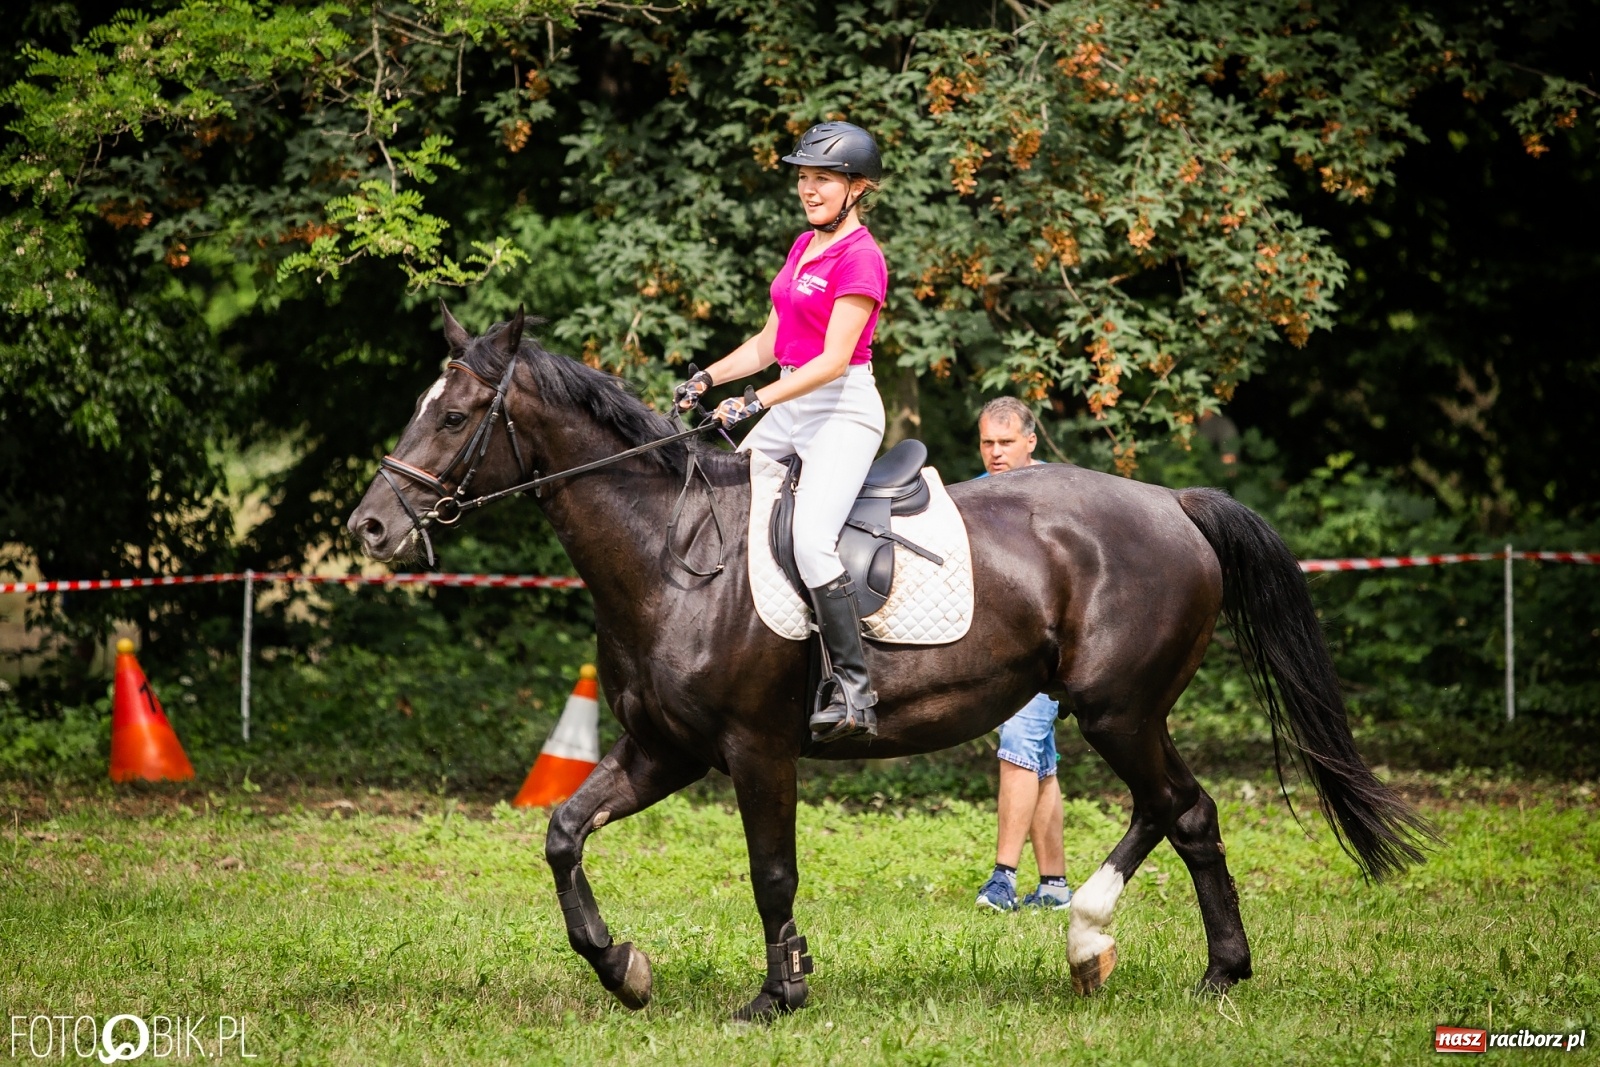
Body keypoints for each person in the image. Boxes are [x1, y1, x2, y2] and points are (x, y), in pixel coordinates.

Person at [672, 121, 889, 743]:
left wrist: (753, 403)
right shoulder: (803, 247)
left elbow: (832, 358)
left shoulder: (861, 257)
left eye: (823, 179)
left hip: (841, 408)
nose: (809, 189)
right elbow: (771, 344)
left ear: (857, 188)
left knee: (814, 539)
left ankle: (853, 689)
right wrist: (708, 379)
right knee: (725, 504)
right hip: (793, 401)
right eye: (803, 178)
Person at [971, 398, 1075, 911]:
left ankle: (1003, 879)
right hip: (1003, 650)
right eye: (988, 442)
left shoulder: (1058, 494)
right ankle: (1054, 886)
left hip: (1048, 651)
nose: (994, 452)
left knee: (1017, 744)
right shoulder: (979, 493)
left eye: (1005, 443)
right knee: (1040, 761)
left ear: (1030, 442)